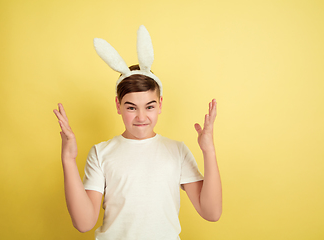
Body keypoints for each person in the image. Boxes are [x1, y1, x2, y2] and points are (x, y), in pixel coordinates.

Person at [53, 26, 222, 240]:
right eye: (131, 107)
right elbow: (84, 222)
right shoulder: (101, 153)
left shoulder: (177, 151)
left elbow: (212, 212)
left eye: (149, 107)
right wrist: (68, 159)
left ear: (160, 104)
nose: (141, 117)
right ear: (118, 105)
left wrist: (209, 151)